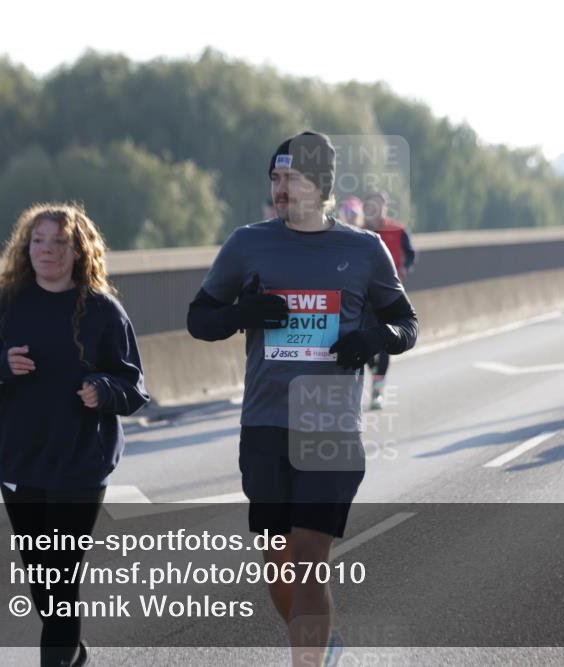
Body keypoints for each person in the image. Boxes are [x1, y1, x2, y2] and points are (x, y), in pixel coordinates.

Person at [186, 132, 417, 667]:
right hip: (265, 423)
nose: (280, 188)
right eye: (274, 178)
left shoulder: (363, 249)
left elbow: (407, 324)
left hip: (330, 425)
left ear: (321, 184)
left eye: (290, 178)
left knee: (311, 557)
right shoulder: (248, 244)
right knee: (278, 559)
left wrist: (374, 339)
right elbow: (199, 319)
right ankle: (321, 643)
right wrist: (242, 315)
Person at [0, 203, 150, 667]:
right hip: (21, 463)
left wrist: (103, 390)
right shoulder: (3, 307)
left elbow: (135, 388)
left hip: (81, 463)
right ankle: (73, 652)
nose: (47, 251)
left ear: (78, 250)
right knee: (41, 579)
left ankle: (58, 661)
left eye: (59, 242)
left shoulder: (103, 311)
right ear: (27, 247)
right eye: (38, 241)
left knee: (61, 576)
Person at [360, 191, 417, 410]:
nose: (375, 209)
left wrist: (405, 268)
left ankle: (377, 390)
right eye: (371, 205)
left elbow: (411, 254)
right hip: (363, 298)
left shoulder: (397, 229)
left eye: (379, 205)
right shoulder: (358, 232)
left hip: (389, 297)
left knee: (384, 344)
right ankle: (372, 368)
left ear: (385, 207)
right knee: (364, 342)